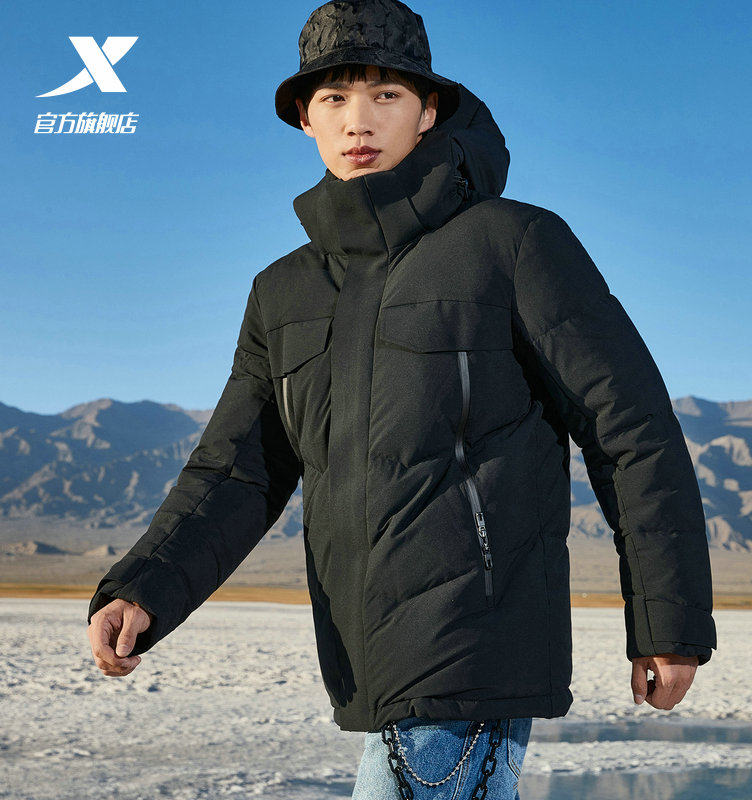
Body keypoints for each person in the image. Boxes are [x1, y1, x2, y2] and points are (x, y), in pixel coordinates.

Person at [86, 1, 717, 797]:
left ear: (428, 112)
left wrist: (667, 623)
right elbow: (237, 469)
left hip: (473, 653)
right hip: (364, 662)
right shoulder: (283, 292)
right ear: (305, 120)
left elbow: (630, 429)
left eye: (386, 94)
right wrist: (143, 586)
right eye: (335, 98)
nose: (359, 119)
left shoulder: (512, 244)